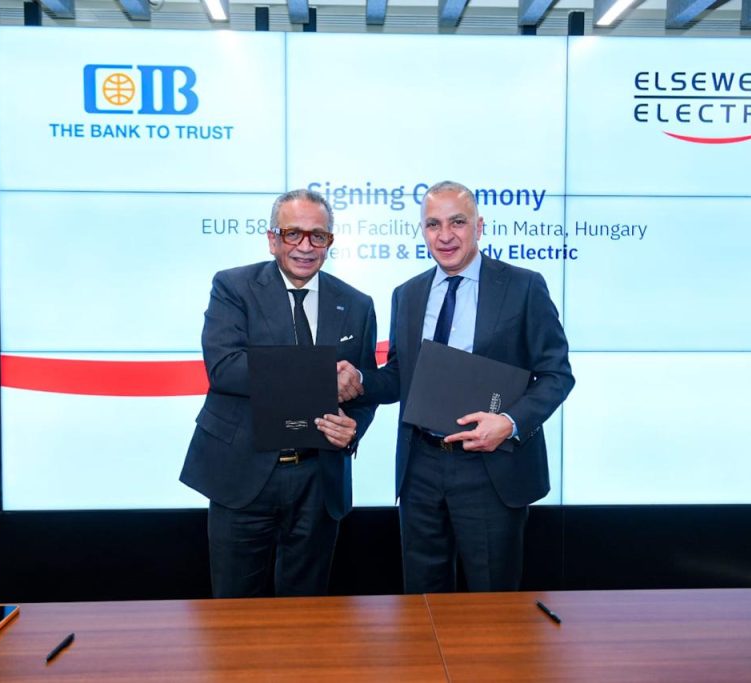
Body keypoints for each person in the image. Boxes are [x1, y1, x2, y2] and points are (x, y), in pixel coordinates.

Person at [341, 180, 574, 593]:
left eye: (457, 222)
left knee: (492, 603)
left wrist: (510, 422)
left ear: (479, 227)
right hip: (421, 466)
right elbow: (400, 376)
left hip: (491, 466)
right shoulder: (407, 294)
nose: (445, 235)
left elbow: (556, 374)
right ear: (423, 231)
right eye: (433, 224)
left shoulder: (523, 287)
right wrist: (360, 381)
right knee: (423, 603)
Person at [180, 188, 377, 598]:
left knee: (307, 614)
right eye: (293, 234)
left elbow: (362, 388)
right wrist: (322, 377)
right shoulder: (233, 287)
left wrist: (353, 427)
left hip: (318, 479)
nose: (305, 246)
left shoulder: (357, 304)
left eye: (318, 236)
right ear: (273, 239)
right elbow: (225, 369)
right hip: (242, 473)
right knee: (235, 613)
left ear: (329, 242)